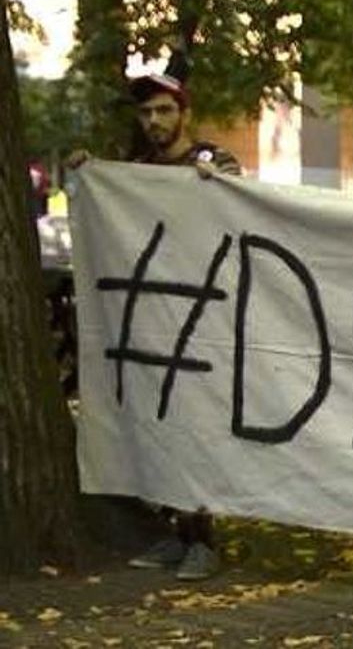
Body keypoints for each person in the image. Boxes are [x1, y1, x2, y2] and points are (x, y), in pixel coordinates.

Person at [69, 73, 241, 581]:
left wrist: (222, 185)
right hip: (150, 323)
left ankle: (203, 539)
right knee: (158, 426)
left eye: (164, 111)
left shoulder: (209, 161)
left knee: (197, 428)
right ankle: (175, 534)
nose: (154, 121)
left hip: (202, 321)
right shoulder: (137, 170)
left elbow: (242, 202)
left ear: (183, 113)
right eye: (146, 113)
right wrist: (87, 174)